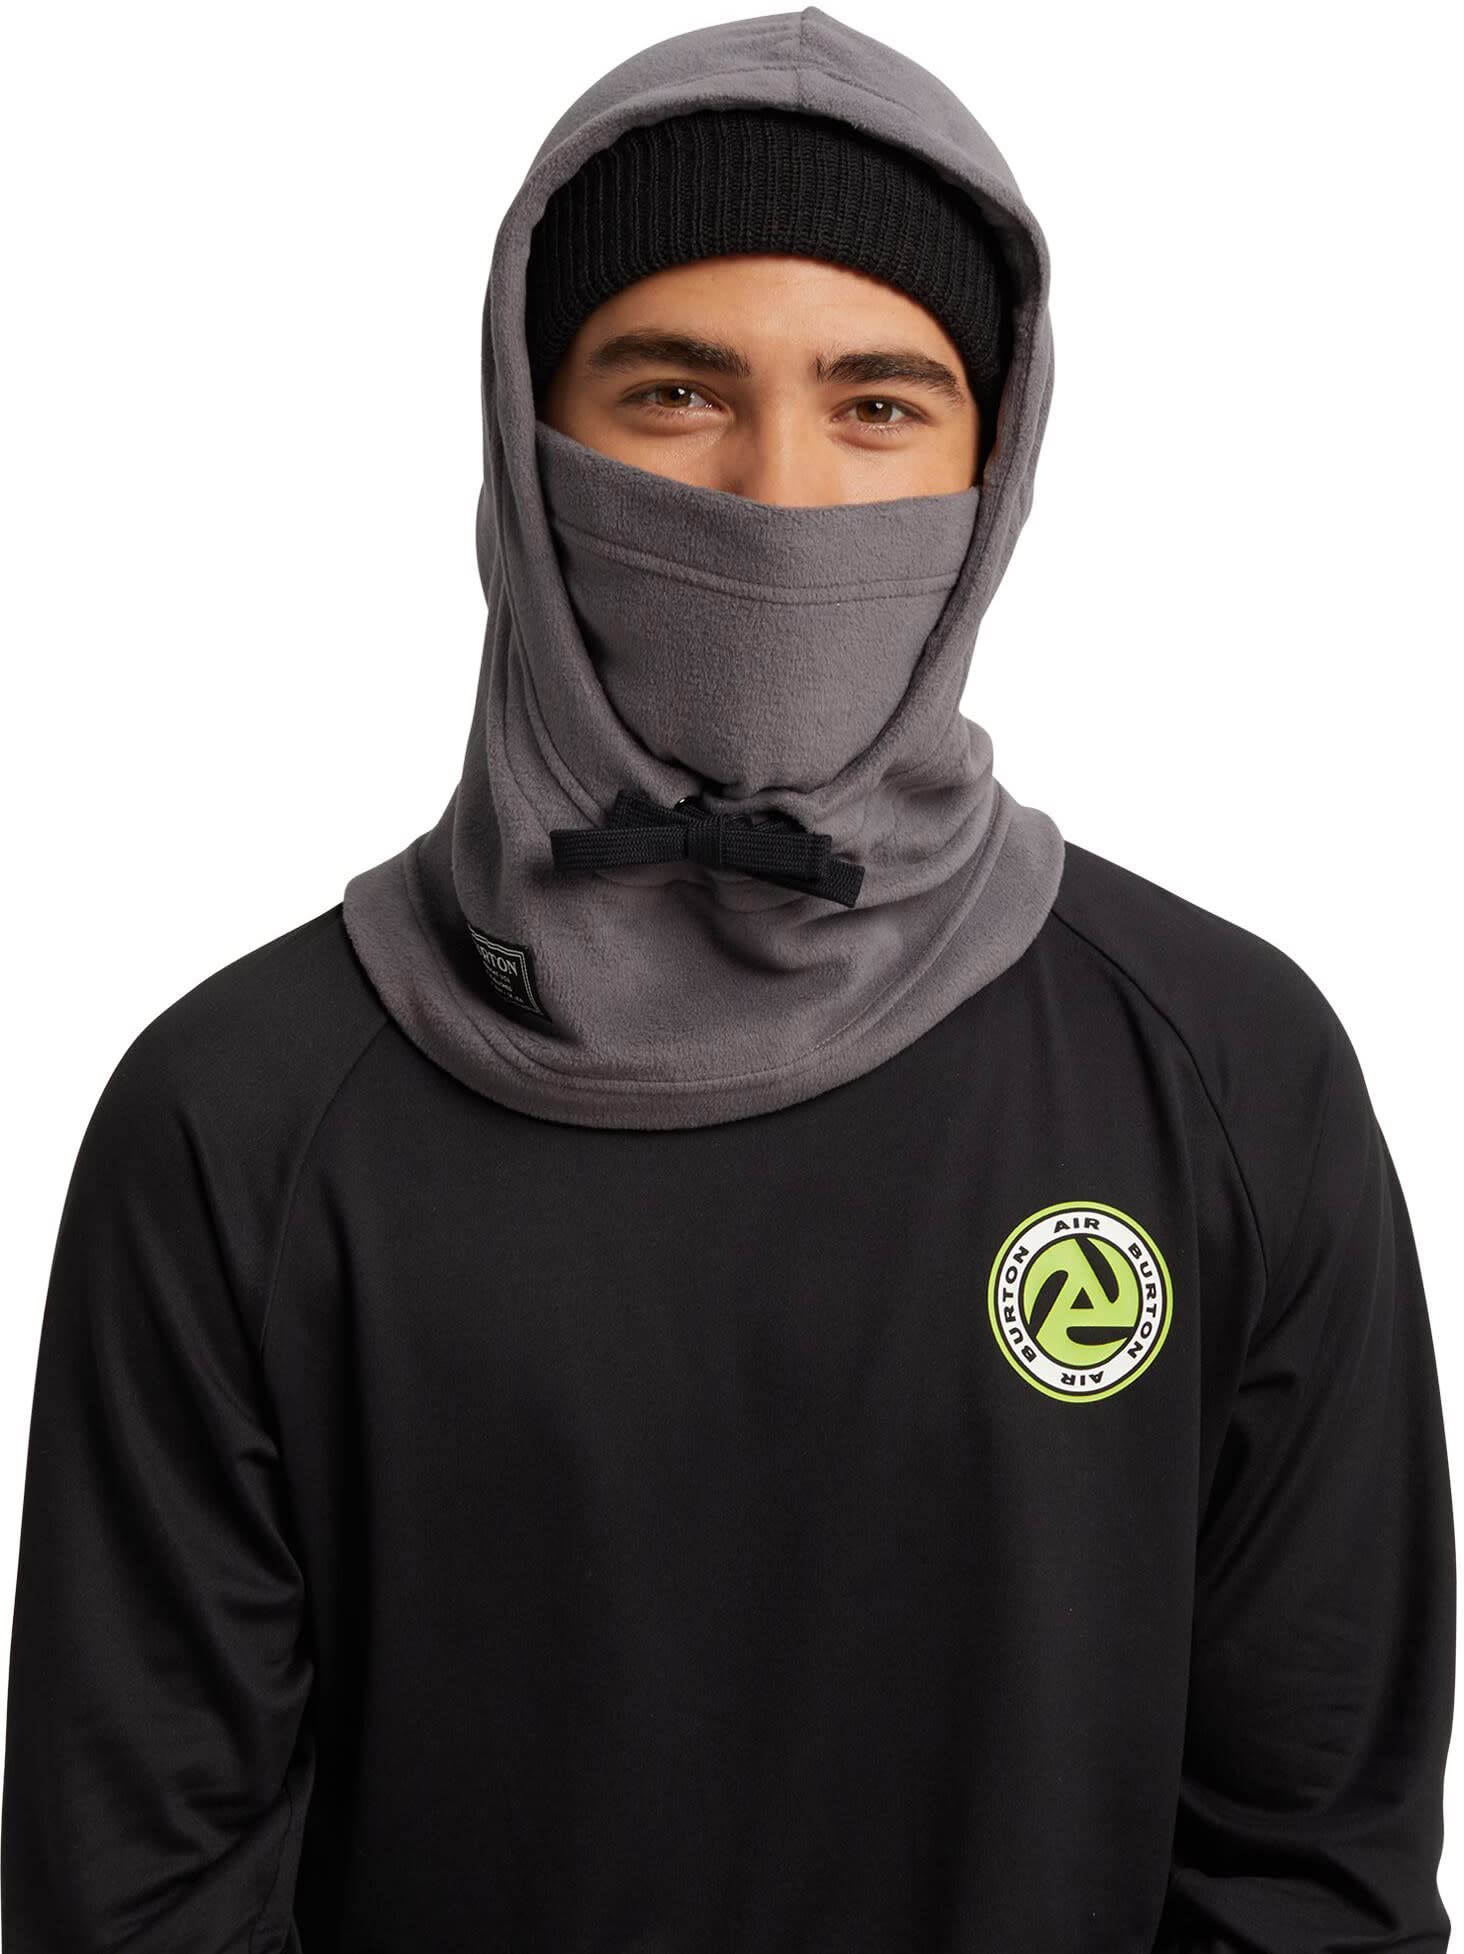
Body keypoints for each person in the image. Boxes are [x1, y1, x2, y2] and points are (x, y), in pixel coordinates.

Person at [1, 7, 1453, 1950]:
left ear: (997, 460)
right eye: (676, 391)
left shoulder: (1224, 1071)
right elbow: (137, 1903)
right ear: (528, 441)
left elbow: (1314, 1877)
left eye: (878, 403)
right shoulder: (241, 1119)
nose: (775, 491)